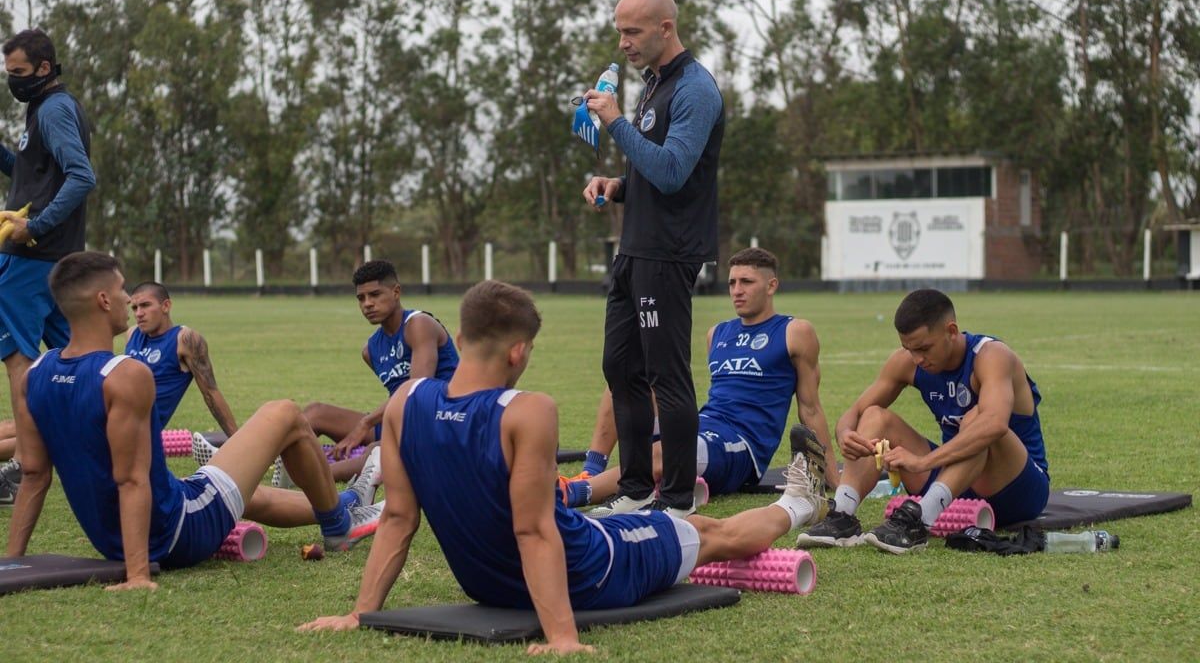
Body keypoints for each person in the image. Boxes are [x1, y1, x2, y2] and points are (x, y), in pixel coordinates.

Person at [299, 280, 827, 654]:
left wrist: (359, 613)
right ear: (519, 351)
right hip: (595, 570)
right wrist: (562, 639)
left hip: (490, 587)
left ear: (458, 341)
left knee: (677, 525)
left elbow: (396, 520)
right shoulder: (526, 410)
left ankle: (798, 502)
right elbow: (533, 530)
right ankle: (799, 503)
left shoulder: (405, 404)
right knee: (708, 534)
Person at [5, 252, 384, 586]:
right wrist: (138, 575)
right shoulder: (124, 374)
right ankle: (339, 527)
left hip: (110, 539)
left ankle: (352, 498)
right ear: (103, 300)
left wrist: (15, 564)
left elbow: (35, 475)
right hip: (178, 531)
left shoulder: (35, 374)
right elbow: (132, 480)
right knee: (285, 413)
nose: (128, 300)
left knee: (246, 493)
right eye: (122, 291)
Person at [581, 0, 725, 518]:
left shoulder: (695, 89)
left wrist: (615, 121)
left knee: (667, 376)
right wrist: (616, 185)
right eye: (619, 30)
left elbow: (671, 172)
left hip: (668, 254)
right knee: (619, 368)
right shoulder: (654, 83)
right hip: (634, 249)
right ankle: (637, 489)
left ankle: (678, 500)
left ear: (666, 28)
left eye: (632, 31)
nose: (622, 43)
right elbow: (648, 169)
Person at [566, 248, 839, 511]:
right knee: (626, 377)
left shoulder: (795, 331)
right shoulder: (717, 333)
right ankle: (591, 470)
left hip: (741, 446)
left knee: (666, 453)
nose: (737, 290)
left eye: (747, 282)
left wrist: (834, 479)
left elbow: (810, 408)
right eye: (732, 282)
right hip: (701, 425)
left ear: (771, 286)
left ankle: (569, 494)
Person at [797, 288, 1050, 554]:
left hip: (1017, 489)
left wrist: (923, 462)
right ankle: (843, 516)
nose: (917, 359)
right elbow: (856, 411)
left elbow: (995, 424)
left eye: (924, 348)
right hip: (955, 484)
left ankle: (919, 522)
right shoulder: (908, 362)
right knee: (874, 415)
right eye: (909, 349)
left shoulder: (992, 356)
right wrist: (846, 433)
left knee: (977, 419)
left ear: (951, 331)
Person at [0, 29, 97, 502]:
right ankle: (107, 451)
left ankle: (23, 469)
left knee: (20, 362)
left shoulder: (54, 109)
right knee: (78, 362)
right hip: (59, 258)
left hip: (30, 257)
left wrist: (33, 226)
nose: (12, 82)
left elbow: (82, 177)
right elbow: (30, 173)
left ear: (43, 68)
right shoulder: (45, 108)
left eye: (17, 73)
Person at [297, 260, 459, 482]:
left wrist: (365, 424)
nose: (367, 304)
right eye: (361, 298)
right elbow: (397, 397)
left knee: (376, 451)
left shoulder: (419, 324)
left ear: (396, 292)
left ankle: (307, 476)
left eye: (375, 295)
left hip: (438, 420)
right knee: (315, 412)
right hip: (401, 421)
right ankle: (274, 463)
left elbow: (415, 392)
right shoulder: (371, 350)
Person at [123, 281, 239, 436]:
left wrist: (236, 439)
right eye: (135, 308)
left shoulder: (185, 340)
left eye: (145, 305)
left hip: (135, 430)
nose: (138, 313)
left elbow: (210, 392)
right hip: (114, 417)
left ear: (166, 306)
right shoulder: (132, 334)